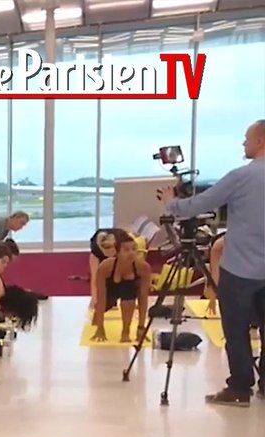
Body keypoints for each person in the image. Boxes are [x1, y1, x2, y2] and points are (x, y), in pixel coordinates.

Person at [160, 119, 265, 406]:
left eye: (247, 139)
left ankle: (240, 388)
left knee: (236, 328)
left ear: (260, 141)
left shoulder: (242, 176)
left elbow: (198, 205)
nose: (243, 144)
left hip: (241, 268)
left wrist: (172, 202)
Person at [92, 234, 152, 343]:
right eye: (126, 250)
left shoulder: (143, 267)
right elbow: (101, 297)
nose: (131, 253)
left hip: (128, 288)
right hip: (110, 289)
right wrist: (100, 328)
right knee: (103, 305)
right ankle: (97, 316)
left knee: (129, 293)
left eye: (134, 249)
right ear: (117, 253)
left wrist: (141, 328)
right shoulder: (105, 267)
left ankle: (126, 331)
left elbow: (143, 298)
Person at [88, 230, 120, 311]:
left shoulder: (121, 247)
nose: (110, 256)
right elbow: (95, 278)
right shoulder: (95, 252)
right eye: (107, 254)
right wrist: (94, 299)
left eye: (112, 252)